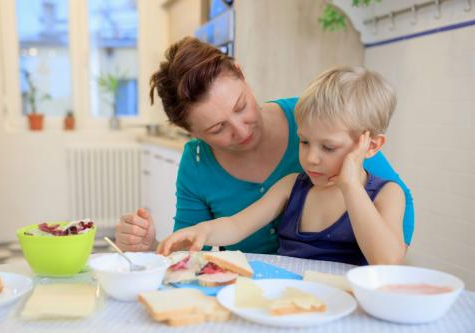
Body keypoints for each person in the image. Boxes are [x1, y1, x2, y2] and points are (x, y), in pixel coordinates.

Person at [115, 37, 414, 255]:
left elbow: (388, 253)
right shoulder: (286, 183)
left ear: (242, 75)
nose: (241, 129)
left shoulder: (317, 120)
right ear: (192, 134)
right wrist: (155, 247)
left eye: (241, 106)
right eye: (217, 128)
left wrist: (350, 188)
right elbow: (209, 238)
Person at [157, 66, 406, 265]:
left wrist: (351, 187)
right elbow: (236, 225)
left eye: (328, 147)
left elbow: (386, 261)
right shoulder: (292, 186)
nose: (311, 158)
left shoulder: (387, 195)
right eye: (304, 141)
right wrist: (203, 231)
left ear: (371, 146)